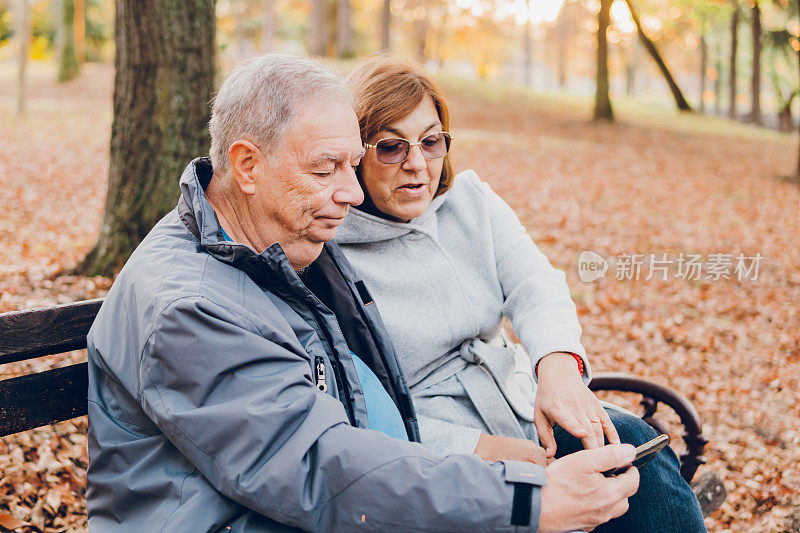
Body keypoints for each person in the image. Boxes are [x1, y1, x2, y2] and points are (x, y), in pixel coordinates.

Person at [86, 53, 641, 532]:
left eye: (352, 165)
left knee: (635, 469)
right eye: (328, 168)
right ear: (248, 166)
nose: (351, 193)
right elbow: (318, 467)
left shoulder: (274, 244)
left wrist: (555, 373)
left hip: (315, 504)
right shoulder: (190, 306)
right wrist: (526, 499)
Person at [335, 56, 707, 532]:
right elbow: (358, 409)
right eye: (390, 147)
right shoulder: (332, 251)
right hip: (435, 449)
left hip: (519, 403)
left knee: (636, 456)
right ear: (354, 154)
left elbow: (536, 284)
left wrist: (557, 370)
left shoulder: (471, 202)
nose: (416, 164)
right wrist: (489, 451)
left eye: (431, 142)